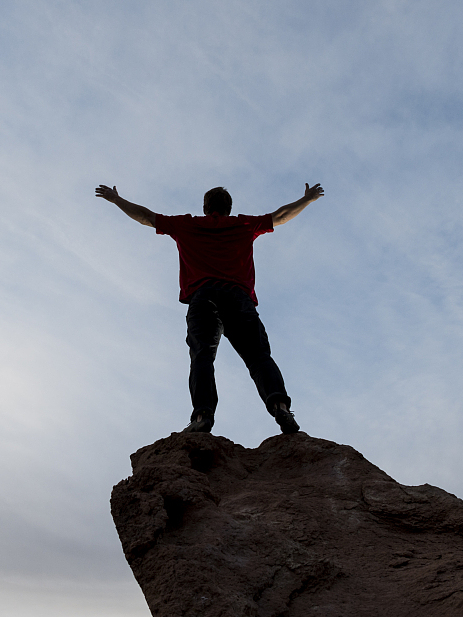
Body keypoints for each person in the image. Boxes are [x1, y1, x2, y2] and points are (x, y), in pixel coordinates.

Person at [95, 182, 324, 436]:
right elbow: (280, 216)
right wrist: (308, 199)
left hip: (203, 298)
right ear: (229, 208)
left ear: (205, 208)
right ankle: (280, 406)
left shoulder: (187, 225)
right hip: (238, 298)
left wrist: (117, 200)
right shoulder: (243, 225)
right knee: (258, 357)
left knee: (202, 356)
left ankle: (203, 416)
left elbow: (147, 217)